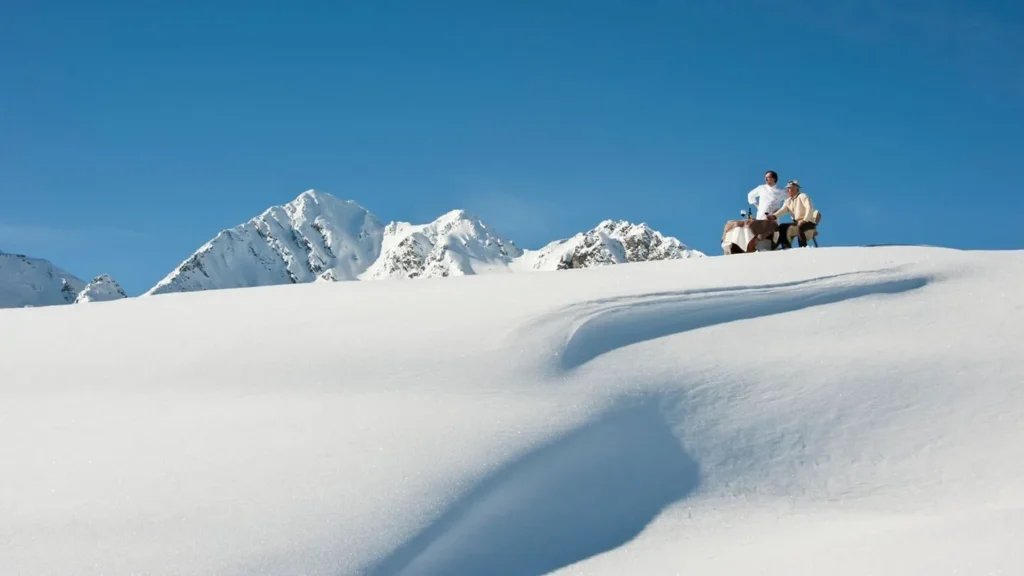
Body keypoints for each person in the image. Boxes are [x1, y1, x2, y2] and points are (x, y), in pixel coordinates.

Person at [770, 179, 817, 248]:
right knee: (782, 227)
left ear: (796, 188)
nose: (788, 190)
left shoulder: (802, 196)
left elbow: (809, 208)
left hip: (808, 222)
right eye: (787, 188)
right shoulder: (788, 201)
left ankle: (803, 247)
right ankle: (785, 246)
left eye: (790, 188)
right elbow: (783, 210)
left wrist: (805, 220)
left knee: (800, 227)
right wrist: (773, 216)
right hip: (797, 222)